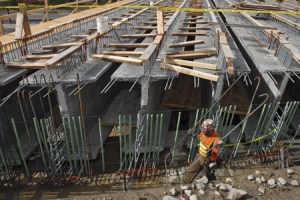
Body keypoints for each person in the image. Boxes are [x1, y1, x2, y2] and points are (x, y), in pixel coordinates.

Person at [181, 119, 223, 184]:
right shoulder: (203, 133)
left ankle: (212, 183)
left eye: (205, 131)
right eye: (203, 130)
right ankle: (183, 184)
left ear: (210, 130)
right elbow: (200, 138)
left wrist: (221, 150)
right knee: (189, 172)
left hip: (208, 161)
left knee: (209, 175)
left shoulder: (216, 140)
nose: (203, 131)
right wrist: (193, 134)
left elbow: (222, 154)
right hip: (199, 157)